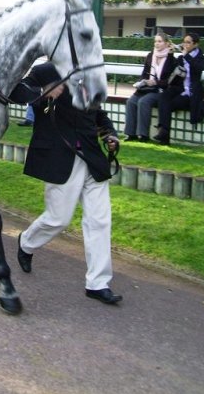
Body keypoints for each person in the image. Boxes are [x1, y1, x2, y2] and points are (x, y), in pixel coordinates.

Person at [10, 62, 123, 306]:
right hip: (60, 156)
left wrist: (109, 134)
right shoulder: (44, 71)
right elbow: (15, 92)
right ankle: (27, 242)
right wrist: (43, 93)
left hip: (92, 158)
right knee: (58, 219)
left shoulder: (90, 72)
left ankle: (97, 283)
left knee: (100, 220)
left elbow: (98, 113)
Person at [153, 32, 204, 145]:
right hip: (180, 88)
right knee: (163, 96)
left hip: (191, 92)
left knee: (168, 105)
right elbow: (171, 71)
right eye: (184, 42)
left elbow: (197, 70)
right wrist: (171, 54)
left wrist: (186, 55)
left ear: (195, 44)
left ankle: (164, 134)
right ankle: (164, 132)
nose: (185, 45)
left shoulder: (201, 58)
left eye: (188, 42)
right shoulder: (182, 57)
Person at [124, 32, 178, 142]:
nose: (156, 44)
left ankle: (143, 135)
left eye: (159, 41)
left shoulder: (171, 59)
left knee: (144, 102)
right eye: (155, 41)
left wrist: (155, 82)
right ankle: (130, 134)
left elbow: (169, 81)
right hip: (146, 88)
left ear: (167, 44)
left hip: (160, 90)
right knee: (131, 102)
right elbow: (144, 73)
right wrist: (142, 82)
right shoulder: (150, 55)